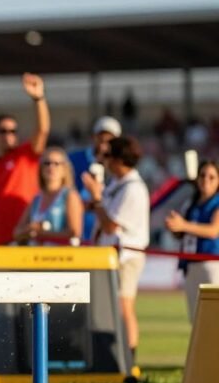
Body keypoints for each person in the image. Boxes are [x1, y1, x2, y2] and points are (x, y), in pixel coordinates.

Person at [82, 136, 149, 365]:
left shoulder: (133, 189)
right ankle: (116, 358)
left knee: (124, 307)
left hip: (126, 257)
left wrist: (96, 198)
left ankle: (129, 359)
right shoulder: (118, 184)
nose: (104, 160)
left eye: (108, 156)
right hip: (112, 255)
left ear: (120, 159)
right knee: (114, 308)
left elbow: (111, 224)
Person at [0, 73, 50, 246]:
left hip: (21, 239)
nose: (8, 135)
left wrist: (38, 98)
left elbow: (42, 130)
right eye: (3, 131)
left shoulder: (25, 155)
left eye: (13, 131)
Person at [165, 161, 219, 321]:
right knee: (196, 319)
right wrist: (174, 227)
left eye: (212, 177)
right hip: (190, 264)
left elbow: (213, 231)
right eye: (202, 175)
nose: (206, 180)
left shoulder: (216, 203)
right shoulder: (191, 203)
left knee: (214, 318)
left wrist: (183, 225)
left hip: (211, 263)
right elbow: (183, 233)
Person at [13, 147, 83, 246]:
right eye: (47, 163)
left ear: (64, 169)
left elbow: (75, 232)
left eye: (56, 164)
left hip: (61, 258)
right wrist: (31, 229)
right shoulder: (36, 199)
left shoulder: (70, 196)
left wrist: (41, 233)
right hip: (35, 257)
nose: (51, 167)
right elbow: (17, 232)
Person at [70, 116, 121, 242]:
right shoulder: (75, 160)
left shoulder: (120, 165)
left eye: (110, 140)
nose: (104, 145)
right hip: (79, 228)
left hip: (105, 232)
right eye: (101, 138)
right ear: (94, 137)